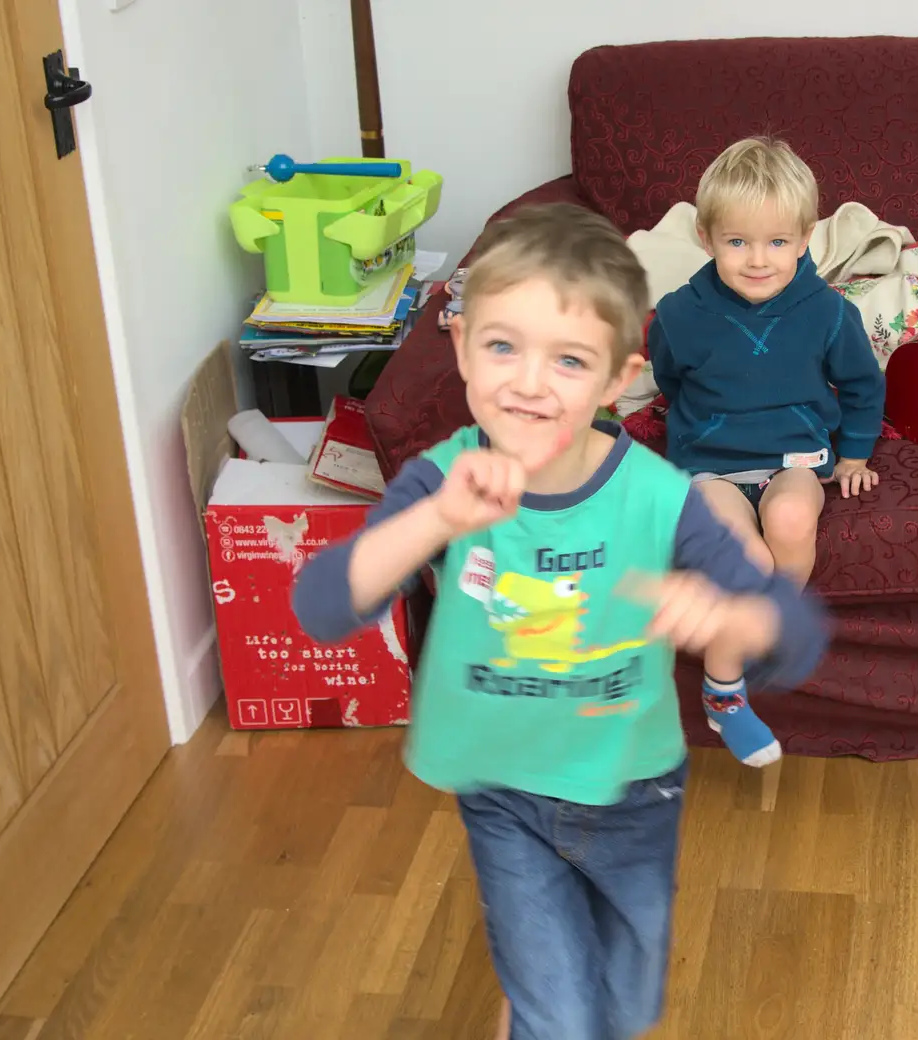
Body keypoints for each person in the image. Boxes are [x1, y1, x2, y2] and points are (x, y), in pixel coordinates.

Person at [291, 203, 827, 1040]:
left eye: (570, 360)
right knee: (563, 1019)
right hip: (501, 791)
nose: (531, 383)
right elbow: (322, 607)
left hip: (631, 790)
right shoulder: (441, 480)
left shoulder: (659, 495)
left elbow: (798, 635)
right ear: (462, 344)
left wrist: (732, 614)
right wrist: (430, 525)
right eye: (503, 346)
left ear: (620, 378)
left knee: (622, 1008)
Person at [649, 136, 886, 586]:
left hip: (794, 461)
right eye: (737, 241)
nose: (758, 261)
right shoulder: (677, 315)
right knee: (744, 557)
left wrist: (854, 456)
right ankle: (740, 647)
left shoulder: (828, 311)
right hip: (709, 466)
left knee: (790, 517)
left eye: (777, 241)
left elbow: (862, 383)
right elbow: (670, 378)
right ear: (706, 238)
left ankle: (780, 626)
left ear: (804, 239)